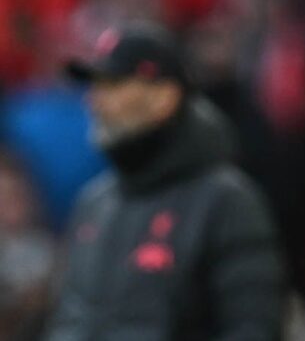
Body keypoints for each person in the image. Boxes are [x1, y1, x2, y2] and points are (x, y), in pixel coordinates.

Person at [46, 23, 284, 340]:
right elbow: (69, 320)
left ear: (165, 98)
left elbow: (253, 328)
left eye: (113, 85)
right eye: (94, 86)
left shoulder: (227, 200)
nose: (94, 101)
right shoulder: (94, 201)